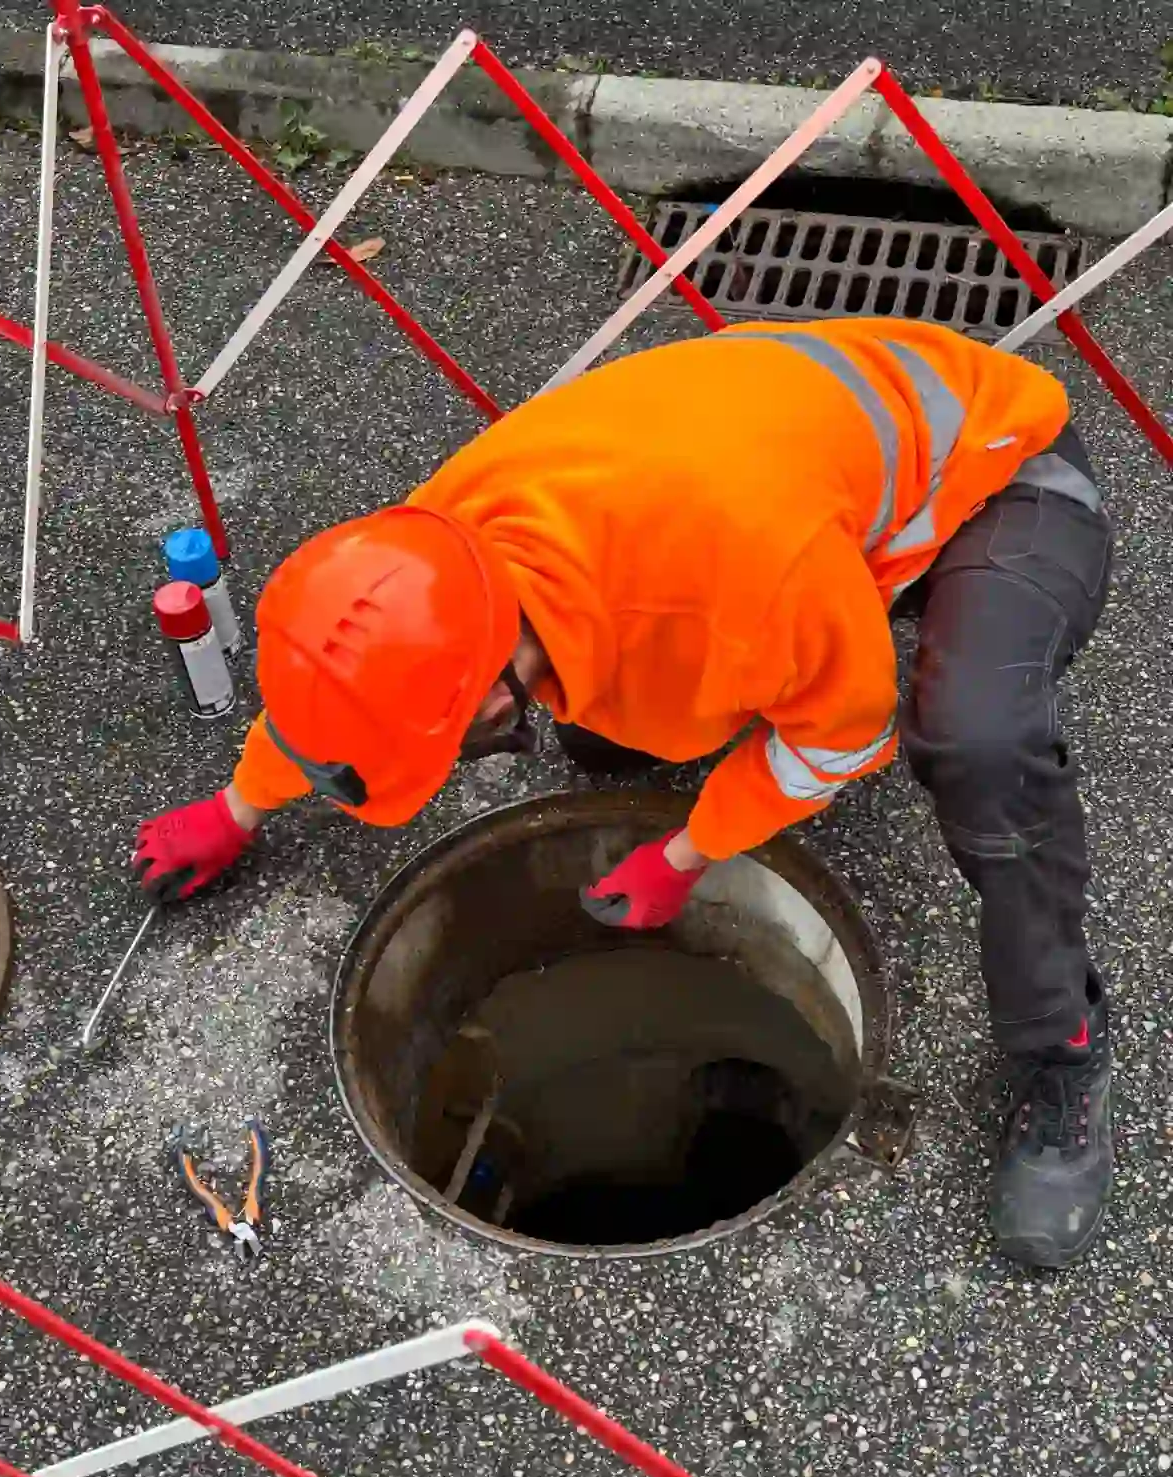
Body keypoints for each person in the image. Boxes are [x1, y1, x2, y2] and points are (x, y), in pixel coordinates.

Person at [133, 319, 1113, 1269]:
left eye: (462, 741)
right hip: (789, 476)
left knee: (976, 737)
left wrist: (690, 853)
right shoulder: (427, 561)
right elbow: (348, 691)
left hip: (998, 476)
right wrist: (238, 807)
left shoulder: (733, 580)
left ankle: (1063, 1055)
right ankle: (817, 617)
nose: (471, 762)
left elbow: (845, 733)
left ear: (484, 679)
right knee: (606, 743)